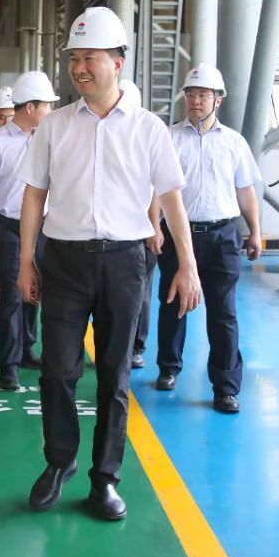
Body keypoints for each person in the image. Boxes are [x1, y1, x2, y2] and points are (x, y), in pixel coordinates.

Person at [17, 6, 201, 521]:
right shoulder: (54, 126)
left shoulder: (148, 129)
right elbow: (33, 194)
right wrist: (26, 260)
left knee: (114, 377)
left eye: (90, 58)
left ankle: (105, 478)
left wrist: (187, 265)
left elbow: (172, 199)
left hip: (124, 262)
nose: (79, 68)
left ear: (117, 63)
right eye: (74, 58)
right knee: (57, 370)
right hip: (64, 261)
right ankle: (60, 461)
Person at [149, 65, 262, 413]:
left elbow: (245, 190)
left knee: (223, 312)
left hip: (222, 237)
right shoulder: (169, 138)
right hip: (177, 235)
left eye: (203, 95)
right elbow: (156, 189)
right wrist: (155, 226)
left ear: (218, 100)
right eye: (191, 94)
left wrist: (255, 231)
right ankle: (169, 367)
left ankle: (226, 388)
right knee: (173, 303)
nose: (195, 101)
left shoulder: (234, 143)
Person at [0, 70, 57, 391]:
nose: (51, 111)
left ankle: (27, 350)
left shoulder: (49, 140)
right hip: (9, 228)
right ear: (31, 107)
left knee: (34, 293)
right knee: (11, 298)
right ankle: (8, 367)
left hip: (45, 228)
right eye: (47, 105)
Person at [120, 80, 157, 371]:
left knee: (140, 294)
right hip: (113, 234)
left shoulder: (147, 138)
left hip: (140, 234)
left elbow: (158, 190)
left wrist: (154, 229)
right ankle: (125, 347)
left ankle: (135, 347)